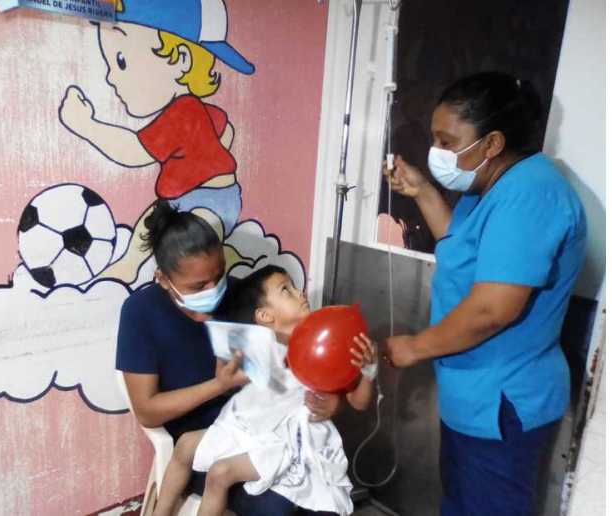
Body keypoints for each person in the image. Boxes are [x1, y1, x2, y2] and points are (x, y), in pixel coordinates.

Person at [382, 71, 587, 516]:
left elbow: (493, 309)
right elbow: (461, 247)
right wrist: (419, 189)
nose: (438, 152)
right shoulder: (488, 187)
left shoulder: (532, 193)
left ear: (492, 143)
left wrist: (414, 347)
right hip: (473, 394)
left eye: (448, 142)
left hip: (503, 401)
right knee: (460, 503)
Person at [116, 201, 345, 516]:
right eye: (199, 285)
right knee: (275, 506)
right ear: (163, 278)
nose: (214, 289)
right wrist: (218, 385)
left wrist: (326, 401)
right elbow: (148, 412)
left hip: (258, 426)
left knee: (312, 483)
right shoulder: (142, 312)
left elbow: (286, 368)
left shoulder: (239, 299)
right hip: (205, 441)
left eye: (219, 275)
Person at [153, 265, 377, 516]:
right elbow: (231, 380)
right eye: (287, 290)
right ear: (264, 316)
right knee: (184, 444)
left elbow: (359, 402)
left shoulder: (325, 341)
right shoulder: (257, 347)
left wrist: (367, 372)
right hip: (251, 428)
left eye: (295, 287)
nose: (301, 293)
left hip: (288, 442)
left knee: (220, 473)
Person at [59, 0, 254, 284]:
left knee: (197, 237)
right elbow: (226, 129)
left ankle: (218, 263)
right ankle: (129, 264)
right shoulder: (194, 110)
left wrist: (86, 125)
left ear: (182, 60)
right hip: (183, 199)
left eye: (122, 62)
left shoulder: (182, 113)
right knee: (151, 222)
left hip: (211, 202)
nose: (111, 78)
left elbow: (133, 152)